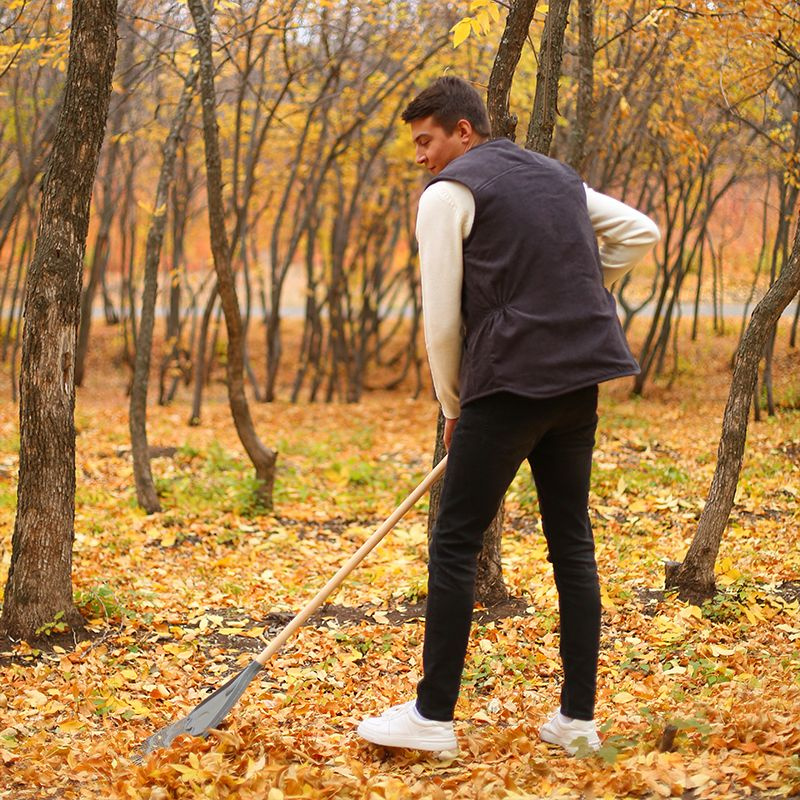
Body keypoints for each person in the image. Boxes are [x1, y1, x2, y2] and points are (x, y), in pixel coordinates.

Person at [356, 76, 660, 756]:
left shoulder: (448, 193)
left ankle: (432, 717)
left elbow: (440, 321)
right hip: (577, 383)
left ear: (464, 132)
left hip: (506, 388)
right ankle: (577, 723)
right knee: (571, 544)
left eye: (426, 140)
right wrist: (570, 288)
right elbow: (641, 231)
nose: (421, 157)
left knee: (456, 541)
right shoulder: (555, 176)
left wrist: (452, 405)